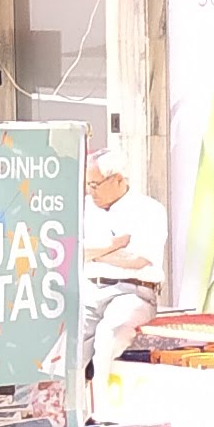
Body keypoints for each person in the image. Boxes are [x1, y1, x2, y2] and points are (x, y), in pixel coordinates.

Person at [81, 158, 168, 378]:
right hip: (89, 291)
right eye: (88, 184)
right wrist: (113, 245)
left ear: (117, 179)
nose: (91, 191)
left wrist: (95, 254)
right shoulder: (82, 209)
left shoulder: (148, 209)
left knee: (108, 336)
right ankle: (61, 409)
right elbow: (73, 250)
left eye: (95, 184)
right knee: (66, 341)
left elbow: (138, 258)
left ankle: (100, 409)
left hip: (133, 291)